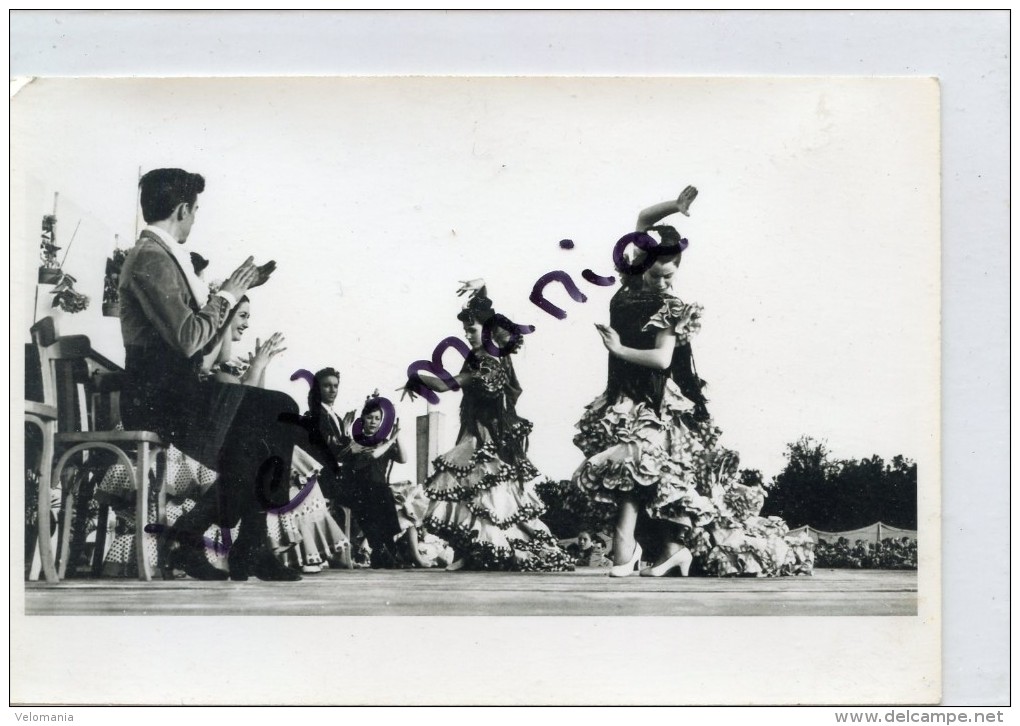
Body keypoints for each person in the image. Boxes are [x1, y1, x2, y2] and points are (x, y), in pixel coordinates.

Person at [571, 199, 812, 578]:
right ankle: (669, 550)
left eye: (670, 277)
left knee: (638, 468)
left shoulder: (671, 305)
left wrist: (618, 349)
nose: (664, 284)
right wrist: (675, 206)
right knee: (643, 476)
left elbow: (662, 359)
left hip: (654, 399)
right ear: (640, 264)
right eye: (656, 276)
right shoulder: (630, 282)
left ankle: (629, 549)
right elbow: (642, 219)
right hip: (622, 396)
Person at [118, 167, 306, 582]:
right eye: (196, 209)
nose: (195, 218)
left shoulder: (162, 256)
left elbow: (198, 345)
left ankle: (222, 541)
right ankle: (240, 544)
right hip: (159, 397)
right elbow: (189, 340)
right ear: (183, 210)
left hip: (177, 391)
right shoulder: (151, 258)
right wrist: (227, 294)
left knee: (263, 435)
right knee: (278, 411)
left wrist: (236, 295)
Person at [409, 284, 573, 572]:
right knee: (476, 491)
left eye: (471, 330)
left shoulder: (485, 361)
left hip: (484, 434)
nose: (467, 335)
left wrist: (414, 375)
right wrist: (481, 286)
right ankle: (471, 552)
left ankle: (483, 549)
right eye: (465, 330)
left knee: (479, 491)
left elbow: (446, 385)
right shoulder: (494, 354)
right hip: (484, 431)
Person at [304, 369, 402, 569]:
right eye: (326, 386)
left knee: (380, 490)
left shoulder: (336, 417)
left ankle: (385, 548)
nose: (332, 390)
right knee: (369, 490)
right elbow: (322, 451)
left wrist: (348, 445)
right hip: (326, 480)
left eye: (335, 386)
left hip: (342, 479)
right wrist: (350, 448)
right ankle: (381, 549)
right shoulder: (315, 415)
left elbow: (343, 448)